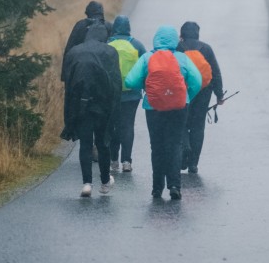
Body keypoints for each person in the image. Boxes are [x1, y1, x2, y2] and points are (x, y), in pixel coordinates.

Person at [125, 25, 201, 200]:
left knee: (157, 147)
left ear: (156, 40)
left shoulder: (147, 58)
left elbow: (130, 81)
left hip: (153, 107)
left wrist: (147, 88)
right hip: (179, 107)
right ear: (175, 40)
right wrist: (187, 96)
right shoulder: (182, 58)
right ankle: (174, 185)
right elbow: (197, 80)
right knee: (175, 145)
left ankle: (157, 188)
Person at [61, 24, 122, 197]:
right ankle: (104, 182)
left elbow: (68, 83)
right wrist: (115, 110)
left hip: (81, 105)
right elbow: (116, 83)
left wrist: (70, 111)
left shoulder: (74, 52)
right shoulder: (110, 52)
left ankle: (87, 183)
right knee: (103, 144)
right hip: (103, 106)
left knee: (85, 145)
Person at [178, 21, 225, 174]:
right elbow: (216, 73)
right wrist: (219, 95)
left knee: (182, 123)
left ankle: (184, 147)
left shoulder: (178, 48)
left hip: (183, 91)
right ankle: (193, 164)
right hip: (204, 92)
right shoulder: (206, 48)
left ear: (182, 34)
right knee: (198, 126)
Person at [107, 15, 147, 173]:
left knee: (112, 125)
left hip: (111, 93)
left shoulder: (107, 44)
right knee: (128, 126)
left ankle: (113, 159)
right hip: (132, 94)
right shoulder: (137, 45)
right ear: (128, 28)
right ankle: (126, 161)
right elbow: (146, 67)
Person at [61, 0, 112, 82]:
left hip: (81, 70)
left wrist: (65, 76)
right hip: (103, 71)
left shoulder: (80, 25)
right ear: (101, 12)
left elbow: (69, 49)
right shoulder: (108, 26)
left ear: (87, 13)